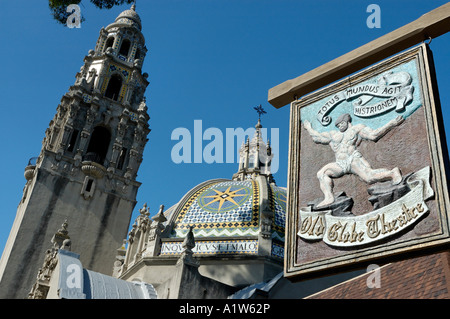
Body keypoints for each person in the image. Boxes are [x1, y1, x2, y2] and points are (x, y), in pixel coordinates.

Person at [303, 113, 404, 208]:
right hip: (340, 164)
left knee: (368, 177)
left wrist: (391, 124)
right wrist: (308, 127)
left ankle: (392, 173)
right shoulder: (333, 135)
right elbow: (317, 137)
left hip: (353, 159)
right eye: (338, 125)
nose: (340, 126)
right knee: (321, 173)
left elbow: (373, 135)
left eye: (342, 123)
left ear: (347, 121)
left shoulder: (357, 129)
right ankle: (329, 197)